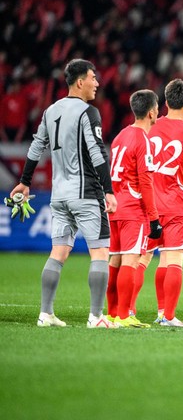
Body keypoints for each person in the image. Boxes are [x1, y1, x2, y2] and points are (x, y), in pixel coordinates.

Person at [10, 59, 118, 328]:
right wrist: (108, 190)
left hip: (58, 197)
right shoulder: (87, 112)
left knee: (57, 253)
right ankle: (95, 317)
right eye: (93, 78)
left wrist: (24, 182)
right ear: (80, 82)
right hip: (86, 193)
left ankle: (45, 314)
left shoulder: (50, 111)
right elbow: (97, 153)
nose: (97, 83)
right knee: (101, 253)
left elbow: (36, 147)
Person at [143, 79, 183, 327]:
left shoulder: (149, 126)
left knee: (145, 258)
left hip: (148, 203)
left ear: (166, 102)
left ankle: (135, 312)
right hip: (176, 203)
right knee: (174, 258)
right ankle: (169, 316)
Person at [106, 89, 162, 328]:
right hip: (133, 207)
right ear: (151, 112)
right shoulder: (143, 140)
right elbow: (146, 181)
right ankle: (125, 315)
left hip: (115, 206)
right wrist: (153, 217)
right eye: (157, 107)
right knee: (131, 259)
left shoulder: (120, 136)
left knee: (115, 260)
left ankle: (112, 313)